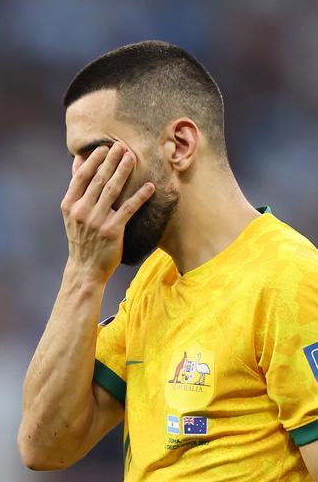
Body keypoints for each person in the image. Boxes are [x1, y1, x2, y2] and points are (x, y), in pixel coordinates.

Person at [17, 40, 318, 480]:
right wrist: (82, 274)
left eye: (96, 154)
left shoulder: (290, 279)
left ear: (179, 144)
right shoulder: (152, 282)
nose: (78, 189)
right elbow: (44, 443)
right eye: (74, 162)